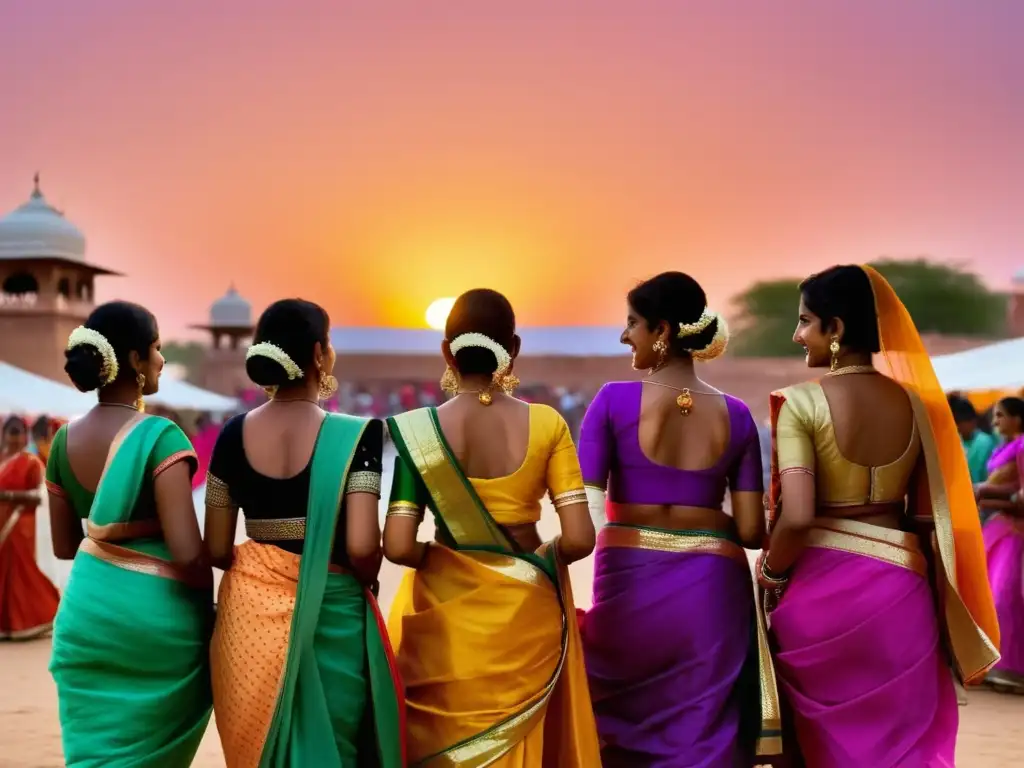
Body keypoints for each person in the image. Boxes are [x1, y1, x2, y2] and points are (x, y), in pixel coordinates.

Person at [759, 265, 999, 765]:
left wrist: (770, 572)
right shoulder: (916, 406)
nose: (796, 334)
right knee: (900, 749)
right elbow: (930, 519)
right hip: (902, 597)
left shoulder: (800, 403)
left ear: (836, 328)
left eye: (806, 321)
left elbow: (797, 516)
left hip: (819, 597)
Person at [383, 288, 600, 766]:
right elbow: (581, 538)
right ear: (513, 349)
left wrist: (443, 560)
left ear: (446, 351)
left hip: (446, 616)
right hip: (528, 610)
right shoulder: (547, 424)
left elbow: (397, 546)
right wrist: (539, 560)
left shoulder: (419, 429)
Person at [576, 272, 778, 767]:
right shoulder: (736, 415)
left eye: (632, 324)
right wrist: (700, 534)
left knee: (618, 711)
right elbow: (753, 531)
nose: (626, 336)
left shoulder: (611, 401)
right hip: (711, 589)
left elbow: (584, 509)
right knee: (700, 723)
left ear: (661, 330)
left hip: (629, 581)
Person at [205, 299, 404, 768]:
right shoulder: (357, 434)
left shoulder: (232, 435)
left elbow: (216, 547)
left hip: (248, 620)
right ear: (318, 354)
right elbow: (360, 546)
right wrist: (365, 579)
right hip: (332, 614)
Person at [46, 301, 212, 767]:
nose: (161, 359)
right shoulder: (161, 437)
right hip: (156, 620)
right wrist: (215, 599)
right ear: (135, 362)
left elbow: (64, 546)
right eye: (156, 348)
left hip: (87, 618)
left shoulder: (61, 441)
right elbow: (186, 552)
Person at [0, 415, 59, 640]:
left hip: (20, 523)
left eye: (18, 434)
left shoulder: (32, 462)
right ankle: (7, 624)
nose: (14, 439)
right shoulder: (3, 459)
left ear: (25, 436)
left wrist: (9, 496)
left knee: (21, 571)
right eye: (11, 434)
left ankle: (37, 616)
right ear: (4, 435)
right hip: (3, 521)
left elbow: (40, 495)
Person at [975, 397, 1024, 520]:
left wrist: (982, 492)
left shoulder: (1021, 446)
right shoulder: (1003, 447)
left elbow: (1019, 493)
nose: (994, 422)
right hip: (999, 512)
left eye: (999, 415)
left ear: (1016, 419)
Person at [948, 395, 998, 486]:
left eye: (959, 423)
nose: (957, 427)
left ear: (972, 421)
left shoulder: (984, 442)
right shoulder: (957, 442)